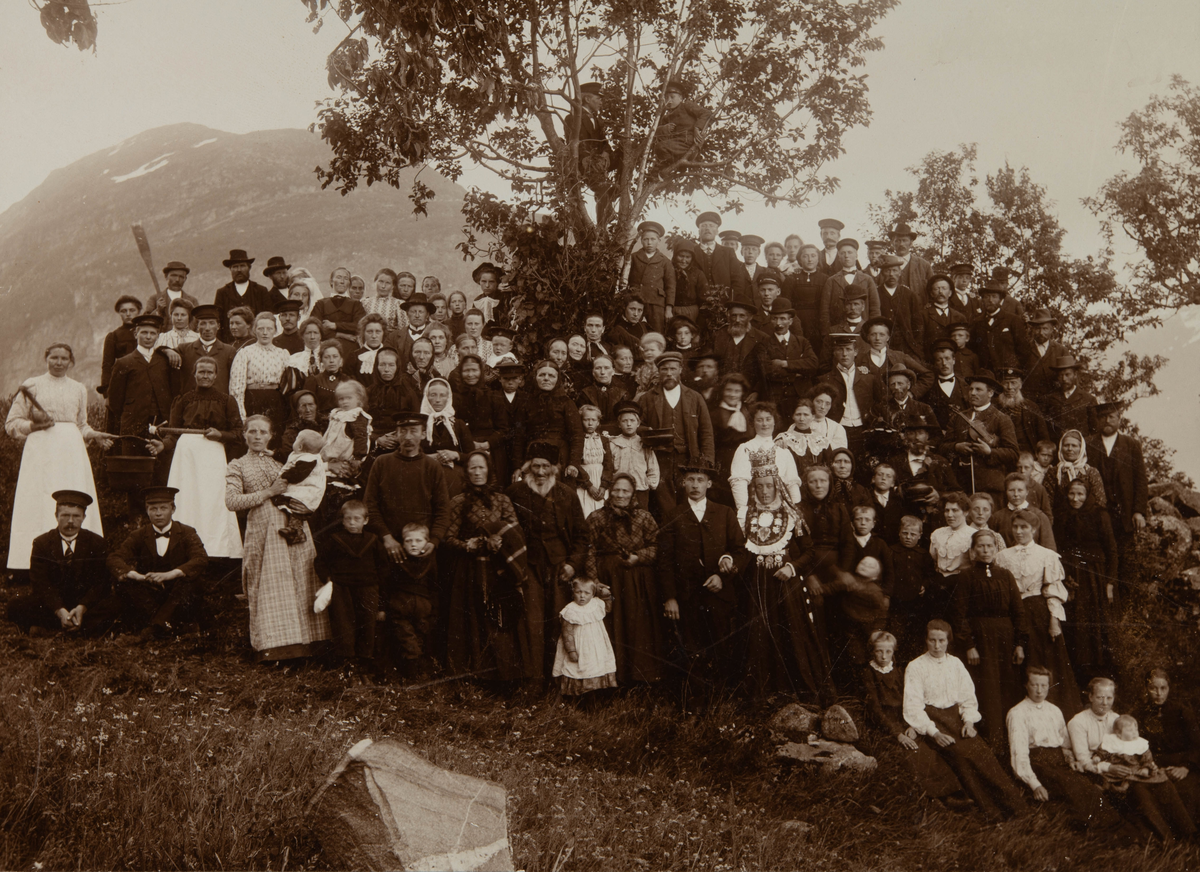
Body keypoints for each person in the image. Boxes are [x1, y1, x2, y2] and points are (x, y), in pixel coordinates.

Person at [226, 415, 331, 661]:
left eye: (263, 432)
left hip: (293, 524)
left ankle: (308, 645)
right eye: (252, 432)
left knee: (301, 579)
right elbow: (231, 502)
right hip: (263, 528)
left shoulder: (282, 460)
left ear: (271, 435)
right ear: (244, 434)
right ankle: (275, 648)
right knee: (269, 583)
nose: (258, 437)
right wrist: (268, 492)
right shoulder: (237, 465)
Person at [902, 620, 1028, 819]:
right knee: (960, 755)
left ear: (947, 641)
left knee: (981, 753)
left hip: (956, 719)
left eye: (941, 640)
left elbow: (967, 697)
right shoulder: (915, 666)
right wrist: (934, 733)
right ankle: (990, 811)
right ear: (925, 640)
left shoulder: (955, 664)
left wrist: (969, 722)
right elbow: (913, 706)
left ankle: (1017, 807)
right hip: (932, 720)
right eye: (932, 640)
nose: (937, 646)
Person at [6, 344, 111, 573]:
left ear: (71, 361)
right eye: (54, 357)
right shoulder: (31, 385)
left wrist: (94, 434)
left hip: (71, 451)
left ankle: (78, 562)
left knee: (72, 495)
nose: (59, 362)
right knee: (40, 501)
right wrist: (34, 425)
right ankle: (30, 563)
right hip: (40, 451)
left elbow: (81, 424)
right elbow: (11, 424)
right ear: (46, 359)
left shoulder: (78, 388)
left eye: (64, 358)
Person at [741, 453, 835, 705]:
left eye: (769, 485)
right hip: (759, 585)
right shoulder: (745, 516)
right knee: (760, 633)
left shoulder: (793, 515)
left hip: (786, 583)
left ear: (777, 485)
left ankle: (797, 692)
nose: (764, 491)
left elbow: (810, 551)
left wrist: (792, 567)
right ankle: (764, 692)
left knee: (791, 632)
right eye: (759, 486)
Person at [1068, 677, 1196, 842]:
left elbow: (1133, 746)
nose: (1105, 702)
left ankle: (1187, 831)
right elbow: (1084, 760)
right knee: (1141, 791)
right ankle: (1164, 837)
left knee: (1163, 783)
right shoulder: (1078, 722)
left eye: (1109, 698)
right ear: (1090, 697)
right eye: (1100, 697)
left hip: (1128, 768)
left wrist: (1146, 766)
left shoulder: (1117, 719)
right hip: (1099, 772)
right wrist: (1109, 768)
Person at [506, 440, 592, 683]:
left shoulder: (567, 494)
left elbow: (581, 535)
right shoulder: (514, 493)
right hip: (528, 568)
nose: (541, 472)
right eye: (535, 466)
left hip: (559, 568)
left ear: (555, 468)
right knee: (531, 624)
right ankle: (533, 680)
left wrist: (572, 564)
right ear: (527, 467)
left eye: (546, 466)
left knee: (558, 622)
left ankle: (558, 680)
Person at [658, 460, 746, 692]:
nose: (695, 485)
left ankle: (724, 698)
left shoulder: (725, 513)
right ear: (683, 483)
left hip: (719, 595)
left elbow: (740, 550)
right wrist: (670, 597)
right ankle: (696, 699)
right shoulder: (673, 515)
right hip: (687, 597)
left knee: (722, 645)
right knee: (691, 648)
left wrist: (723, 576)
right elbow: (664, 560)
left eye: (700, 480)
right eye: (691, 480)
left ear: (709, 483)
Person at [443, 450, 530, 684]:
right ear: (466, 471)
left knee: (498, 619)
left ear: (489, 470)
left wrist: (502, 540)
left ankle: (502, 677)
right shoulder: (458, 501)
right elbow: (447, 539)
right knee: (471, 620)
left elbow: (516, 532)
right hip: (469, 570)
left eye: (481, 467)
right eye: (472, 468)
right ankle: (471, 677)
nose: (477, 472)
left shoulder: (502, 500)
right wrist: (469, 545)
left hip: (498, 570)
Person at [1006, 666, 1119, 832]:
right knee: (1072, 789)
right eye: (1035, 685)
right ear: (1026, 685)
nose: (1039, 691)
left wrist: (1071, 760)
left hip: (1059, 762)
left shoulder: (1054, 710)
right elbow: (1019, 754)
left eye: (1044, 685)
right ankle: (1094, 830)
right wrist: (1035, 784)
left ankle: (1111, 828)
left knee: (1087, 787)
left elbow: (1065, 744)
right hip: (1038, 763)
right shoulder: (1017, 713)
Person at [156, 357, 244, 560]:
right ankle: (184, 548)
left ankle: (216, 549)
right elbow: (173, 434)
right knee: (188, 497)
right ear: (194, 374)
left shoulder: (227, 401)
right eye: (201, 372)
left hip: (213, 455)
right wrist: (163, 445)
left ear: (216, 375)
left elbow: (238, 433)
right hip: (186, 455)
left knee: (212, 500)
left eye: (209, 372)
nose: (205, 376)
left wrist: (220, 435)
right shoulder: (183, 399)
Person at [861, 630, 963, 802]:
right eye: (879, 651)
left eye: (888, 651)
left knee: (928, 750)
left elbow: (909, 702)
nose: (884, 656)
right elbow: (875, 711)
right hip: (885, 726)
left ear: (894, 652)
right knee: (910, 753)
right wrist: (898, 734)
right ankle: (935, 796)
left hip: (904, 721)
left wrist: (911, 726)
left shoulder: (899, 671)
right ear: (873, 651)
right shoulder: (868, 673)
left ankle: (952, 791)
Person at [994, 511, 1080, 714]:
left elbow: (1052, 591)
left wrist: (1054, 620)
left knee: (1045, 659)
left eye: (1024, 527)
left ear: (1034, 529)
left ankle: (1052, 712)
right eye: (1015, 527)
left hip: (1037, 613)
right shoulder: (1001, 557)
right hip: (1012, 612)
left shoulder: (1046, 555)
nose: (1019, 531)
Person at [5, 490, 118, 637]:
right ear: (56, 516)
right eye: (65, 515)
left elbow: (100, 583)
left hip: (85, 604)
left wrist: (82, 608)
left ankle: (51, 630)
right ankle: (77, 628)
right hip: (54, 605)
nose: (70, 521)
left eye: (76, 516)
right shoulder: (42, 543)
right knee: (15, 605)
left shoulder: (97, 543)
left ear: (84, 517)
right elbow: (41, 583)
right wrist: (60, 611)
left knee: (116, 605)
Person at [951, 527, 1027, 744]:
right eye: (981, 546)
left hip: (1005, 638)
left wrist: (1020, 644)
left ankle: (1011, 738)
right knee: (985, 686)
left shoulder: (1006, 575)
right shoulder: (966, 576)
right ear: (973, 551)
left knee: (1007, 685)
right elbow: (959, 614)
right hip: (980, 639)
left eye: (990, 546)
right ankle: (990, 739)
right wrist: (968, 645)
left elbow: (1018, 611)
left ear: (996, 549)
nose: (986, 550)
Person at [586, 474, 662, 684]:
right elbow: (588, 550)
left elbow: (658, 547)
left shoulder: (644, 517)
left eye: (625, 491)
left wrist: (638, 558)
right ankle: (611, 679)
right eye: (617, 490)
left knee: (638, 627)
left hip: (637, 581)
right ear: (610, 491)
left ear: (633, 493)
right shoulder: (596, 517)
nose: (620, 495)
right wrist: (594, 582)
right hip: (608, 580)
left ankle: (639, 678)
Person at [108, 486, 209, 639]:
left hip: (177, 590)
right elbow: (114, 558)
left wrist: (171, 574)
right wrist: (136, 576)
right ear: (147, 510)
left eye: (163, 508)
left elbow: (200, 558)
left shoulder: (187, 532)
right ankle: (172, 625)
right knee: (124, 583)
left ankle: (154, 628)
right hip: (151, 591)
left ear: (173, 509)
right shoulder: (139, 535)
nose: (158, 513)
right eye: (153, 509)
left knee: (191, 581)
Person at [313, 500, 390, 679]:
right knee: (344, 625)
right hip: (342, 589)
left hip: (368, 588)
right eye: (348, 519)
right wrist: (328, 579)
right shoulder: (334, 540)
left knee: (368, 625)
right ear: (343, 521)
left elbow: (383, 568)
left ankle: (365, 665)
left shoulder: (373, 541)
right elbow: (320, 561)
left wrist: (381, 602)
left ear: (365, 520)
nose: (352, 523)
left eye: (357, 519)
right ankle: (347, 665)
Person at [636, 351, 715, 516]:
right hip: (659, 460)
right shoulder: (648, 398)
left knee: (688, 501)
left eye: (673, 369)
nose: (669, 373)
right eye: (664, 369)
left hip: (687, 458)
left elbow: (706, 432)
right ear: (658, 372)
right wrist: (647, 432)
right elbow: (638, 426)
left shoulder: (694, 398)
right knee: (664, 504)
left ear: (680, 370)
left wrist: (706, 462)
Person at [1055, 479, 1118, 678]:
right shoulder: (1062, 515)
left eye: (1080, 494)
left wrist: (1110, 583)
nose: (1075, 499)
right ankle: (1079, 673)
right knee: (1076, 623)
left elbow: (1112, 550)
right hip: (1072, 576)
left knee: (1096, 622)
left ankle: (1099, 671)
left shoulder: (1100, 514)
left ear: (1088, 495)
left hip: (1094, 577)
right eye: (1072, 494)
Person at [1087, 400, 1148, 577]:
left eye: (1111, 417)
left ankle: (1124, 602)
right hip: (1097, 513)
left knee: (1124, 562)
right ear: (1097, 420)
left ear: (1119, 419)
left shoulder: (1131, 445)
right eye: (1103, 417)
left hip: (1124, 513)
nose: (1107, 421)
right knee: (1100, 559)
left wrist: (1138, 511)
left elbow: (1141, 480)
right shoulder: (1089, 444)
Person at [939, 370, 1018, 504]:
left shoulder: (1001, 419)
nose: (973, 393)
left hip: (990, 487)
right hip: (961, 486)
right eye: (971, 389)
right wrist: (956, 447)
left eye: (978, 389)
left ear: (990, 393)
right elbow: (942, 447)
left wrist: (989, 452)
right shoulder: (958, 417)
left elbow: (1013, 453)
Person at [1133, 668, 1200, 821]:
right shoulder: (1139, 715)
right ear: (1146, 689)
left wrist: (1185, 767)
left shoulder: (1182, 712)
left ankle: (1189, 835)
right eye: (1153, 688)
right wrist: (1150, 766)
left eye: (1163, 688)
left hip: (1183, 765)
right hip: (1154, 767)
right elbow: (1137, 746)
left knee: (1186, 790)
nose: (1159, 693)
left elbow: (1197, 745)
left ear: (1168, 688)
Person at [106, 314, 176, 456]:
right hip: (133, 426)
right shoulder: (124, 362)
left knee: (161, 470)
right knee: (134, 467)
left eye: (152, 333)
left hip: (162, 425)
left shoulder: (164, 361)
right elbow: (114, 401)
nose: (148, 337)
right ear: (135, 334)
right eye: (144, 332)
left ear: (158, 336)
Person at [382, 522, 439, 681]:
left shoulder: (430, 560)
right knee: (406, 637)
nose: (413, 544)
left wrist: (433, 609)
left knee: (421, 635)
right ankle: (412, 674)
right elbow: (387, 584)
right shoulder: (397, 560)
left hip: (423, 607)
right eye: (408, 541)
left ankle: (421, 670)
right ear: (402, 542)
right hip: (401, 605)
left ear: (427, 542)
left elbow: (434, 586)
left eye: (418, 541)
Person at [729, 402, 801, 524]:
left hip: (782, 508)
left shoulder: (784, 451)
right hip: (755, 507)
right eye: (759, 420)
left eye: (768, 419)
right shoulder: (745, 448)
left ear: (774, 421)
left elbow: (792, 483)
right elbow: (738, 482)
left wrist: (796, 510)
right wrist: (743, 511)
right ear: (753, 423)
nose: (764, 424)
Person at [228, 311, 291, 441]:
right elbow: (236, 387)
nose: (265, 332)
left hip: (275, 402)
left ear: (275, 330)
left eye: (269, 329)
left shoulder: (283, 354)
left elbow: (288, 384)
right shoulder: (245, 353)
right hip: (252, 400)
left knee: (273, 438)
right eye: (261, 329)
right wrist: (242, 414)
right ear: (255, 330)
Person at [820, 333, 884, 459]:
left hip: (863, 429)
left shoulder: (869, 378)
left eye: (848, 349)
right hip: (838, 428)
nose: (844, 354)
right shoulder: (825, 380)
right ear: (834, 352)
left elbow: (880, 401)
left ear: (856, 352)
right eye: (840, 349)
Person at [552, 578, 617, 697]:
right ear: (573, 592)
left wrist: (606, 596)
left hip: (595, 645)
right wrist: (571, 650)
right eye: (578, 592)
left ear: (593, 594)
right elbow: (567, 633)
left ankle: (596, 693)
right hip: (579, 646)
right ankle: (578, 696)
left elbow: (608, 608)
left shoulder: (596, 604)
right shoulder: (570, 610)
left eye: (587, 593)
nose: (582, 596)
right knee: (577, 668)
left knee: (595, 665)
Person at [761, 298, 818, 420]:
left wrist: (785, 363)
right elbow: (767, 371)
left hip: (800, 398)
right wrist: (798, 373)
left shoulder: (802, 342)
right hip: (776, 398)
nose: (778, 323)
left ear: (790, 321)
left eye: (783, 318)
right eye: (774, 319)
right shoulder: (763, 344)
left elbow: (813, 364)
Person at [889, 515, 936, 662]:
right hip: (896, 603)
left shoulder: (923, 554)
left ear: (920, 535)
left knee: (915, 636)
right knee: (897, 634)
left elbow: (930, 575)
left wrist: (925, 585)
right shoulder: (891, 551)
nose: (908, 537)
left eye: (913, 534)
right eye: (905, 533)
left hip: (916, 604)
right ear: (899, 532)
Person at [213, 250, 284, 342]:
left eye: (242, 266)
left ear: (249, 268)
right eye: (235, 267)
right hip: (229, 343)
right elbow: (219, 321)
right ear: (230, 269)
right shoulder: (222, 293)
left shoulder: (261, 291)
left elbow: (268, 317)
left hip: (257, 341)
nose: (239, 270)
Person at [420, 377, 472, 496]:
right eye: (433, 395)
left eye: (442, 395)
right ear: (426, 397)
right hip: (425, 474)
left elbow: (472, 455)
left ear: (448, 398)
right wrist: (431, 457)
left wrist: (455, 455)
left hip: (453, 478)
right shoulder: (419, 424)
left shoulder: (458, 424)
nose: (438, 400)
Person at [274, 429, 327, 544]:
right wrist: (273, 453)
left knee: (294, 507)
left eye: (296, 439)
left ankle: (297, 532)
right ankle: (295, 530)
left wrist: (285, 475)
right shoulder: (302, 455)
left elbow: (297, 475)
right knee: (292, 507)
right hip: (303, 489)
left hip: (307, 491)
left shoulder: (308, 459)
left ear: (300, 446)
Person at [928, 492, 976, 620]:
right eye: (947, 510)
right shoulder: (938, 534)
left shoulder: (973, 535)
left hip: (960, 585)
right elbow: (933, 557)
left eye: (955, 510)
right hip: (939, 583)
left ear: (965, 512)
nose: (950, 515)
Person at [820, 238, 880, 336]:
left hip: (864, 331)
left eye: (850, 252)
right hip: (838, 331)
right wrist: (826, 333)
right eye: (843, 253)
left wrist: (873, 331)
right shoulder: (831, 281)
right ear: (839, 256)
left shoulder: (867, 279)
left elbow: (875, 309)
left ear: (856, 256)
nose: (846, 256)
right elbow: (824, 311)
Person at [609, 400, 660, 511]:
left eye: (632, 420)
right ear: (619, 424)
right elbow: (609, 467)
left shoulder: (644, 443)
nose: (628, 424)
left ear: (638, 423)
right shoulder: (613, 443)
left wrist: (651, 482)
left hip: (640, 487)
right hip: (620, 490)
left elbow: (652, 465)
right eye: (624, 421)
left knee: (640, 514)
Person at [1043, 429, 1107, 516]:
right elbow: (1047, 503)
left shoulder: (1091, 472)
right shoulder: (1054, 472)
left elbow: (1100, 502)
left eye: (1074, 446)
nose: (1070, 449)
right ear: (1061, 448)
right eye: (1066, 445)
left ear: (1081, 449)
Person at [1094, 715, 1165, 792]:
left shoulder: (1139, 743)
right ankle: (1105, 787)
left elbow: (1147, 757)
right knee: (1106, 776)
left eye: (1136, 729)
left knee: (1134, 777)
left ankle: (1124, 787)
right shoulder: (1113, 741)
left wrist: (1146, 767)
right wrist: (1098, 757)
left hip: (1133, 769)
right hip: (1116, 769)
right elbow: (1104, 751)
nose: (1134, 733)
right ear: (1118, 733)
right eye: (1130, 730)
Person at [627, 221, 676, 333]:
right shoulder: (633, 257)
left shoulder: (665, 261)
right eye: (646, 239)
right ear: (641, 240)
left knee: (656, 332)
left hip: (656, 304)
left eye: (653, 239)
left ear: (658, 241)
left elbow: (671, 286)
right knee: (635, 331)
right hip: (636, 302)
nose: (649, 243)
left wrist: (668, 308)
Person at [874, 254, 925, 359]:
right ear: (882, 273)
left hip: (907, 346)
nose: (891, 274)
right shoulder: (876, 294)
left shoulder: (909, 294)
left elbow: (917, 323)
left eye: (894, 270)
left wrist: (915, 343)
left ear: (900, 273)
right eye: (887, 271)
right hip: (883, 345)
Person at [179, 304, 236, 396]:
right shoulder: (184, 349)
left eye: (211, 323)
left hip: (218, 404)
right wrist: (166, 350)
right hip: (192, 405)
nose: (207, 328)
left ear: (218, 326)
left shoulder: (229, 351)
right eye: (203, 323)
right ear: (197, 327)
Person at [311, 268, 367, 358]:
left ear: (349, 283)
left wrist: (335, 325)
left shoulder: (356, 305)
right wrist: (341, 334)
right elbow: (315, 328)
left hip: (350, 350)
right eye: (339, 277)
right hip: (326, 349)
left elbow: (360, 326)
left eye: (345, 278)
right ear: (331, 281)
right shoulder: (321, 304)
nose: (342, 281)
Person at [692, 212, 748, 299]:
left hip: (724, 304)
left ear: (717, 231)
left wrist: (732, 303)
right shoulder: (691, 251)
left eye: (711, 225)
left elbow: (737, 281)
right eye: (704, 226)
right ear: (699, 231)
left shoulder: (728, 252)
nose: (707, 228)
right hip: (697, 304)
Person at [1021, 309, 1070, 407]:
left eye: (1045, 329)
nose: (1041, 332)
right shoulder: (1023, 349)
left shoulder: (1061, 350)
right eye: (1037, 328)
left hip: (1054, 403)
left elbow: (1069, 378)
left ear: (1051, 329)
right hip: (1029, 402)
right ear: (1032, 329)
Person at [1043, 355, 1097, 440]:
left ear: (1075, 375)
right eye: (1060, 375)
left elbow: (1095, 431)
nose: (1064, 379)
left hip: (1079, 447)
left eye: (1067, 374)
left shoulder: (1088, 399)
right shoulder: (1050, 399)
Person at [99, 295, 143, 398]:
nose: (128, 314)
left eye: (132, 310)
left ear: (139, 311)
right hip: (121, 385)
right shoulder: (113, 336)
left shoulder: (147, 333)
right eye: (123, 311)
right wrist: (106, 393)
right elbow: (107, 365)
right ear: (119, 313)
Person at [303, 339, 356, 420]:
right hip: (320, 423)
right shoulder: (314, 380)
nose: (331, 361)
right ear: (321, 361)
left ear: (341, 360)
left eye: (335, 356)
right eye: (327, 357)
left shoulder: (348, 380)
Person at [575, 405, 612, 517]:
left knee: (604, 513)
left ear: (598, 422)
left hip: (601, 480)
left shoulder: (604, 440)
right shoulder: (577, 440)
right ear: (581, 421)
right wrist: (589, 485)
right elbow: (576, 464)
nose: (590, 423)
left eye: (593, 420)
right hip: (584, 482)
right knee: (585, 510)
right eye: (586, 420)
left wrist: (603, 486)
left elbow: (608, 464)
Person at [671, 240, 707, 325]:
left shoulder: (698, 274)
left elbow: (704, 299)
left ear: (692, 258)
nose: (684, 260)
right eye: (681, 256)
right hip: (672, 312)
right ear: (675, 255)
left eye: (688, 257)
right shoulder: (669, 270)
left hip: (692, 313)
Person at [362, 268, 406, 334]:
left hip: (390, 341)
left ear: (393, 286)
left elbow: (403, 330)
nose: (383, 286)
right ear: (375, 282)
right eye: (381, 281)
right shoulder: (365, 302)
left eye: (388, 283)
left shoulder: (399, 304)